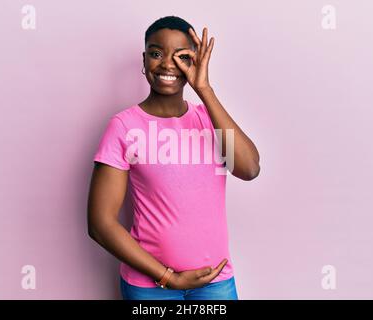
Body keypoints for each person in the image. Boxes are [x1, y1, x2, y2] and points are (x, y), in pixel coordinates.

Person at [87, 15, 260, 300]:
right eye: (157, 53)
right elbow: (100, 223)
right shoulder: (124, 126)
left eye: (182, 56)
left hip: (215, 281)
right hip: (151, 287)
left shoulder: (210, 119)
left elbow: (249, 168)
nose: (168, 64)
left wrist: (204, 89)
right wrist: (168, 277)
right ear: (144, 61)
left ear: (194, 63)